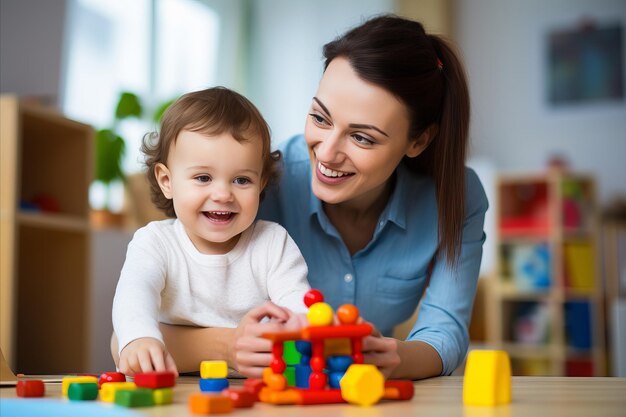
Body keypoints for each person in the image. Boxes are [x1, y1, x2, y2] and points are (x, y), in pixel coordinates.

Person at [159, 14, 488, 380]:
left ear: (418, 140)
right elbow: (130, 337)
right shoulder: (256, 184)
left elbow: (445, 330)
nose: (328, 152)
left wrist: (386, 358)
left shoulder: (457, 197)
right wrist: (229, 345)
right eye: (320, 117)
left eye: (362, 137)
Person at [110, 87, 311, 376]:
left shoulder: (273, 242)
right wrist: (139, 337)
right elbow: (135, 292)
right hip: (176, 385)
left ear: (262, 183)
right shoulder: (154, 241)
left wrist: (302, 325)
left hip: (253, 389)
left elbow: (298, 301)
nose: (222, 194)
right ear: (167, 180)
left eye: (242, 180)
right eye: (203, 177)